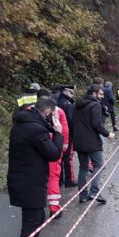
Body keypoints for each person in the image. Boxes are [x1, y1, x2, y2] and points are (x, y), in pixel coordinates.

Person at [8, 96, 63, 237]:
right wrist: (58, 132)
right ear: (47, 113)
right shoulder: (36, 129)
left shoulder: (22, 124)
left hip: (23, 182)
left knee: (36, 220)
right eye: (52, 115)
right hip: (29, 184)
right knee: (31, 227)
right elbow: (54, 153)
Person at [73, 84, 115, 203]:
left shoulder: (78, 104)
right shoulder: (95, 105)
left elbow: (73, 122)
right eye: (100, 94)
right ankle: (94, 192)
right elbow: (97, 124)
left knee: (83, 167)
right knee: (98, 165)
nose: (102, 97)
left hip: (79, 141)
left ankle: (83, 195)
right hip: (91, 141)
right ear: (94, 94)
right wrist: (108, 134)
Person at [38, 88, 69, 219]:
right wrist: (64, 146)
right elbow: (64, 129)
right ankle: (54, 208)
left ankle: (38, 206)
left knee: (39, 176)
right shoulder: (58, 111)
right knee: (53, 176)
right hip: (53, 144)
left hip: (38, 145)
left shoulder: (32, 111)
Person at [53, 85, 77, 188]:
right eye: (71, 93)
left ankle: (59, 180)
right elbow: (71, 121)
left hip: (56, 132)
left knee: (59, 157)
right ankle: (69, 180)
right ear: (66, 92)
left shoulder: (55, 101)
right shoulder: (68, 104)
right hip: (67, 133)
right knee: (68, 157)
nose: (73, 95)